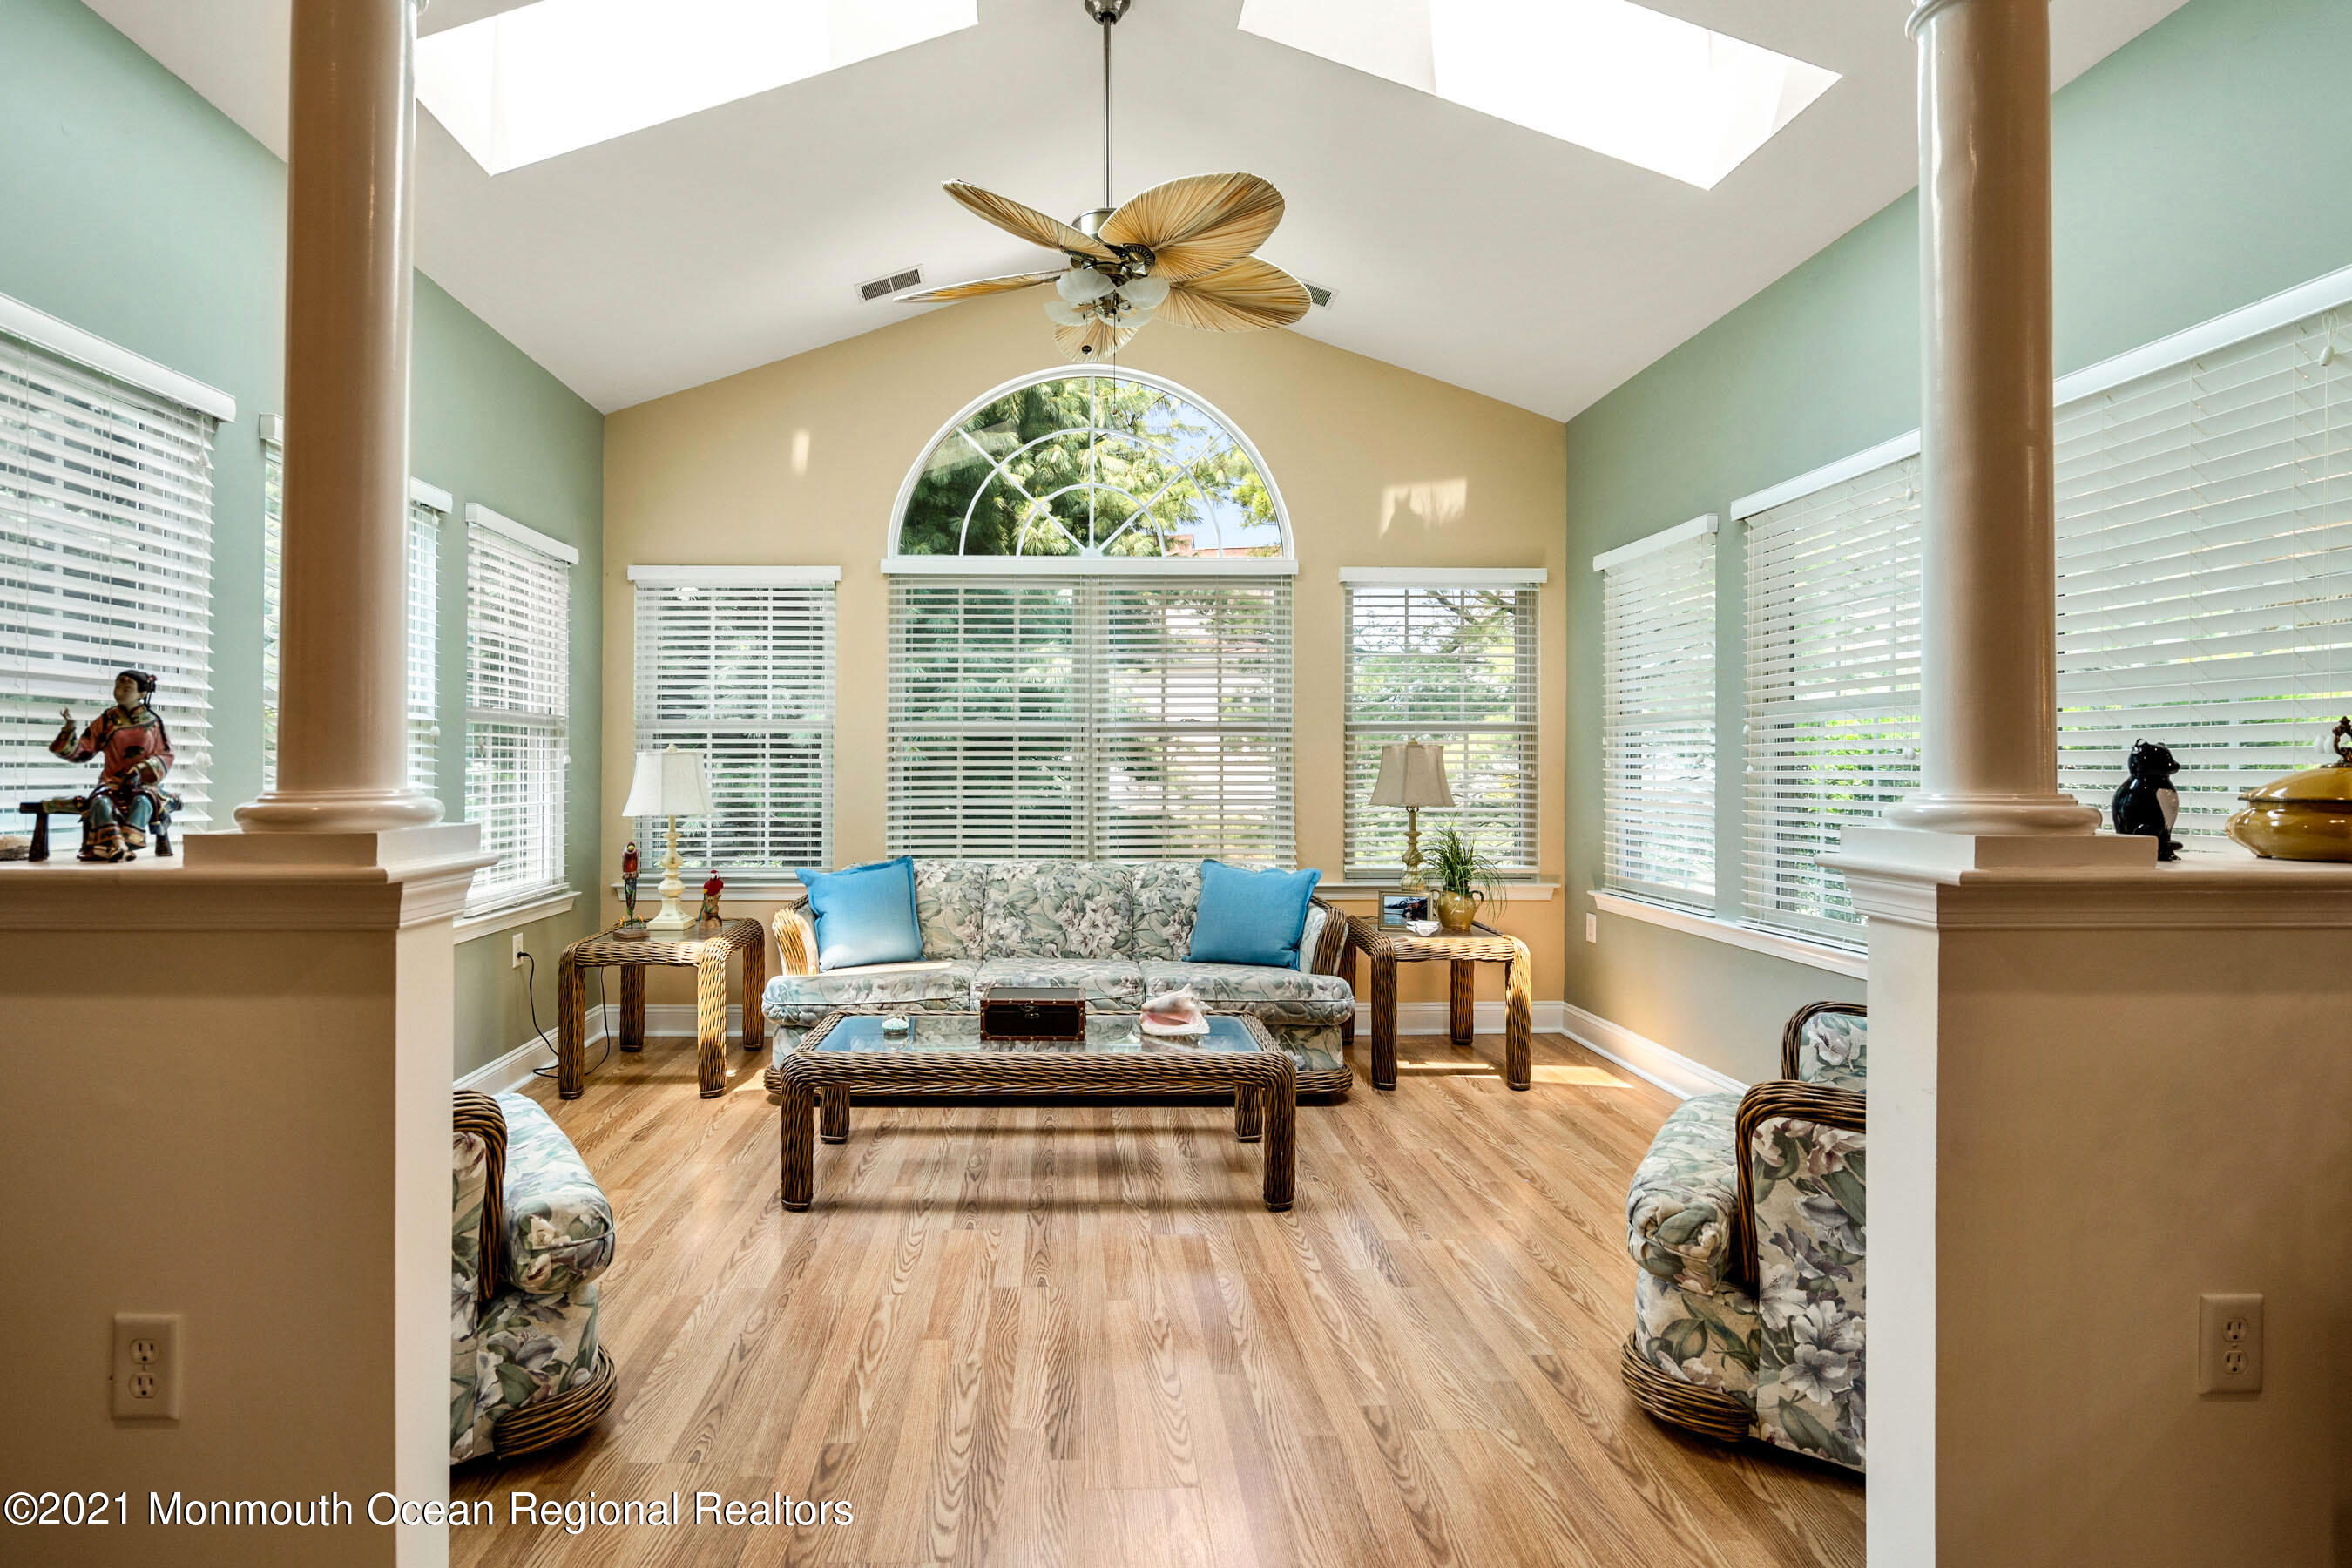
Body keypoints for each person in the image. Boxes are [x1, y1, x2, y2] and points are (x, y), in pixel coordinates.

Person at [51, 670, 174, 862]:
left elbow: (165, 754)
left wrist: (140, 769)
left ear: (142, 694)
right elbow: (84, 750)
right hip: (112, 781)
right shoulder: (107, 720)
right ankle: (118, 845)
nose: (120, 692)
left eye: (127, 689)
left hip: (142, 784)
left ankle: (122, 844)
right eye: (117, 687)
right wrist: (69, 730)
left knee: (142, 802)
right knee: (101, 802)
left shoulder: (153, 722)